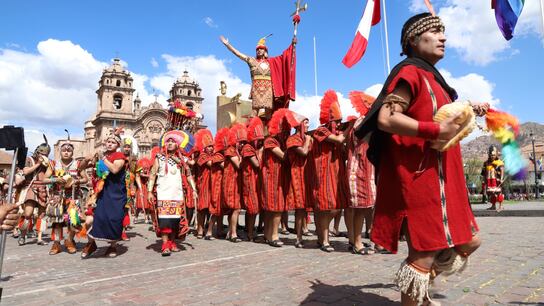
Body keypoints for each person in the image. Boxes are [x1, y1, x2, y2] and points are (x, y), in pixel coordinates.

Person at [355, 13, 487, 305]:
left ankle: (422, 292)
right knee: (424, 253)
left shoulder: (436, 81)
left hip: (444, 177)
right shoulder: (410, 73)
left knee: (469, 240)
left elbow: (444, 113)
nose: (443, 38)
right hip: (419, 176)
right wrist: (435, 129)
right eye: (435, 32)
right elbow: (387, 119)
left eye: (444, 32)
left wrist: (468, 108)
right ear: (414, 40)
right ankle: (416, 299)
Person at [307, 90, 349, 253]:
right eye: (337, 121)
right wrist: (349, 127)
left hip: (336, 173)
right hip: (323, 174)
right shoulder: (321, 130)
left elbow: (343, 150)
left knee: (335, 207)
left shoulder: (337, 133)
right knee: (325, 207)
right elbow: (338, 139)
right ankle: (324, 240)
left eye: (340, 121)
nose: (339, 124)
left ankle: (322, 236)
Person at [219, 34, 296, 119]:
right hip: (256, 91)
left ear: (265, 51)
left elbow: (284, 57)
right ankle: (251, 131)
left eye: (261, 49)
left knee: (269, 115)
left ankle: (270, 132)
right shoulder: (252, 61)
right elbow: (239, 54)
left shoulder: (271, 62)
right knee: (254, 114)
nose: (259, 50)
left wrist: (292, 45)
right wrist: (227, 45)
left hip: (268, 91)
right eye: (257, 49)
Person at [147, 130, 195, 256]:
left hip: (177, 194)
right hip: (163, 193)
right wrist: (149, 192)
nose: (169, 143)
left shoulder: (182, 160)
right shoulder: (159, 157)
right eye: (168, 141)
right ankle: (165, 244)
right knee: (164, 221)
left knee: (175, 221)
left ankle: (172, 242)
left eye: (172, 141)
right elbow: (152, 175)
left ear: (177, 144)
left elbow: (189, 175)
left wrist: (194, 189)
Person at [82, 129, 127, 258]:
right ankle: (91, 243)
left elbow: (114, 169)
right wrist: (87, 159)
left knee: (114, 219)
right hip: (100, 193)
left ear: (118, 145)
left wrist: (103, 158)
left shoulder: (119, 156)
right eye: (108, 141)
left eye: (113, 142)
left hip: (115, 193)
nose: (110, 144)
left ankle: (112, 246)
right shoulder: (100, 154)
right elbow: (85, 166)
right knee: (90, 219)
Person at [344, 91, 376, 255]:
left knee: (366, 207)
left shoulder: (367, 122)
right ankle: (356, 242)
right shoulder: (361, 123)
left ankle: (357, 239)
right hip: (359, 169)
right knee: (360, 208)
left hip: (367, 168)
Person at [44, 140, 89, 255]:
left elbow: (86, 179)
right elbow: (44, 179)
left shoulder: (78, 164)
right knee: (57, 221)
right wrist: (55, 179)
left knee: (73, 220)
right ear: (60, 152)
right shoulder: (53, 164)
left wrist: (76, 180)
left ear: (72, 152)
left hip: (73, 197)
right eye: (64, 150)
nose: (66, 152)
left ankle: (69, 240)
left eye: (69, 151)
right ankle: (57, 243)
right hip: (57, 197)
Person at [262, 109, 290, 247]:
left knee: (274, 208)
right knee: (275, 208)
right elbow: (284, 157)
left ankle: (268, 235)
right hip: (272, 177)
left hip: (280, 177)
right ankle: (273, 235)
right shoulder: (270, 141)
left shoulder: (281, 141)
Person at [16, 136, 50, 246]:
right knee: (28, 214)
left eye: (46, 155)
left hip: (43, 189)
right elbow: (25, 172)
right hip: (31, 188)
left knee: (42, 215)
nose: (44, 156)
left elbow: (50, 175)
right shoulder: (29, 160)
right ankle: (22, 236)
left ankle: (39, 238)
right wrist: (38, 164)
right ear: (37, 152)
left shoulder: (49, 163)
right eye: (42, 153)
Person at [285, 111, 312, 248]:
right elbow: (304, 152)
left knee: (306, 207)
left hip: (308, 174)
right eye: (306, 122)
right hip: (297, 174)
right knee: (300, 208)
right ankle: (298, 238)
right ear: (299, 124)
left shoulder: (306, 138)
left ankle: (305, 232)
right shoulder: (292, 139)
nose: (308, 125)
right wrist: (307, 141)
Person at [241, 117, 265, 242]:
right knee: (252, 208)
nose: (260, 142)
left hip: (257, 181)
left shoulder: (255, 148)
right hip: (249, 181)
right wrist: (261, 152)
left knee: (255, 208)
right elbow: (257, 164)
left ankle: (250, 230)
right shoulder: (247, 148)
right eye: (258, 140)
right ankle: (249, 232)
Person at [222, 123, 245, 242]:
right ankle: (233, 234)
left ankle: (230, 232)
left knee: (234, 209)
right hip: (230, 182)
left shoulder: (236, 151)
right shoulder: (230, 150)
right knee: (235, 208)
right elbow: (239, 165)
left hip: (236, 182)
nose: (242, 144)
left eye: (243, 142)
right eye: (240, 142)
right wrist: (244, 156)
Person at [194, 129, 215, 239]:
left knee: (212, 209)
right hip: (203, 186)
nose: (211, 148)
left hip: (213, 185)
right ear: (204, 147)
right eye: (209, 146)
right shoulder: (202, 155)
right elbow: (211, 164)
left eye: (212, 146)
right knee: (202, 209)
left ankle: (209, 230)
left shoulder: (213, 155)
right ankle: (200, 230)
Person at [121, 137, 138, 241]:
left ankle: (123, 232)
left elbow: (136, 174)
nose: (126, 149)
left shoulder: (134, 160)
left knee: (125, 210)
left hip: (128, 187)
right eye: (125, 147)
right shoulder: (117, 158)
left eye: (128, 147)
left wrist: (135, 188)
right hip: (117, 185)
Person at [481, 145, 505, 211]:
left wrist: (502, 179)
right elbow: (483, 173)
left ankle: (501, 206)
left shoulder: (499, 162)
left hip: (497, 180)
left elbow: (502, 171)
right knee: (492, 193)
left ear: (496, 155)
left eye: (494, 155)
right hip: (489, 180)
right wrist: (484, 181)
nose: (492, 156)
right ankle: (493, 205)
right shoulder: (486, 163)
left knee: (498, 192)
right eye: (491, 155)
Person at [135, 157, 153, 224]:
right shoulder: (139, 170)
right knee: (139, 205)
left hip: (147, 187)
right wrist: (148, 176)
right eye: (144, 168)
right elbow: (139, 175)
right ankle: (136, 217)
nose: (145, 170)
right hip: (141, 188)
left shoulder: (149, 170)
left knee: (147, 204)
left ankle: (147, 217)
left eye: (146, 168)